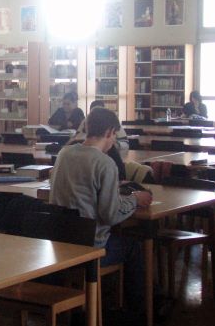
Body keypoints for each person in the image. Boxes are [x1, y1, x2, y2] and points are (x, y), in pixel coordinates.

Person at [50, 107, 152, 313]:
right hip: (91, 248)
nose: (114, 140)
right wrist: (134, 199)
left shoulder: (64, 153)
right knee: (133, 248)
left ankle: (102, 300)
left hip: (60, 242)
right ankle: (136, 312)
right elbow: (110, 215)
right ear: (109, 132)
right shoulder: (105, 163)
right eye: (114, 135)